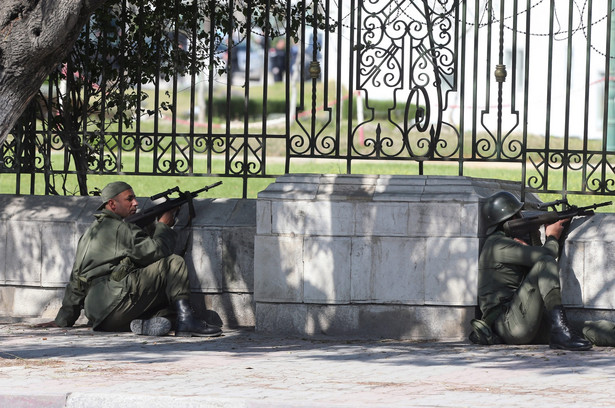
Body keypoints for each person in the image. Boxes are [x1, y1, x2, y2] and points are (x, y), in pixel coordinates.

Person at [48, 181, 222, 337]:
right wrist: (163, 226)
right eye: (129, 199)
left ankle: (151, 323)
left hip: (99, 315)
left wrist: (63, 320)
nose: (136, 203)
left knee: (165, 301)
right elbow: (158, 252)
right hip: (115, 303)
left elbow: (76, 280)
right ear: (112, 204)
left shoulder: (89, 233)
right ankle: (186, 322)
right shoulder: (121, 229)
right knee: (173, 264)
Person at [475, 191, 592, 350]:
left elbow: (536, 273)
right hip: (507, 324)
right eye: (519, 214)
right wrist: (552, 237)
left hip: (523, 320)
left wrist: (534, 233)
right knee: (545, 262)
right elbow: (545, 258)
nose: (522, 217)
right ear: (511, 220)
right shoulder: (496, 244)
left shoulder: (506, 242)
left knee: (589, 329)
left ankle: (564, 330)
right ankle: (560, 332)